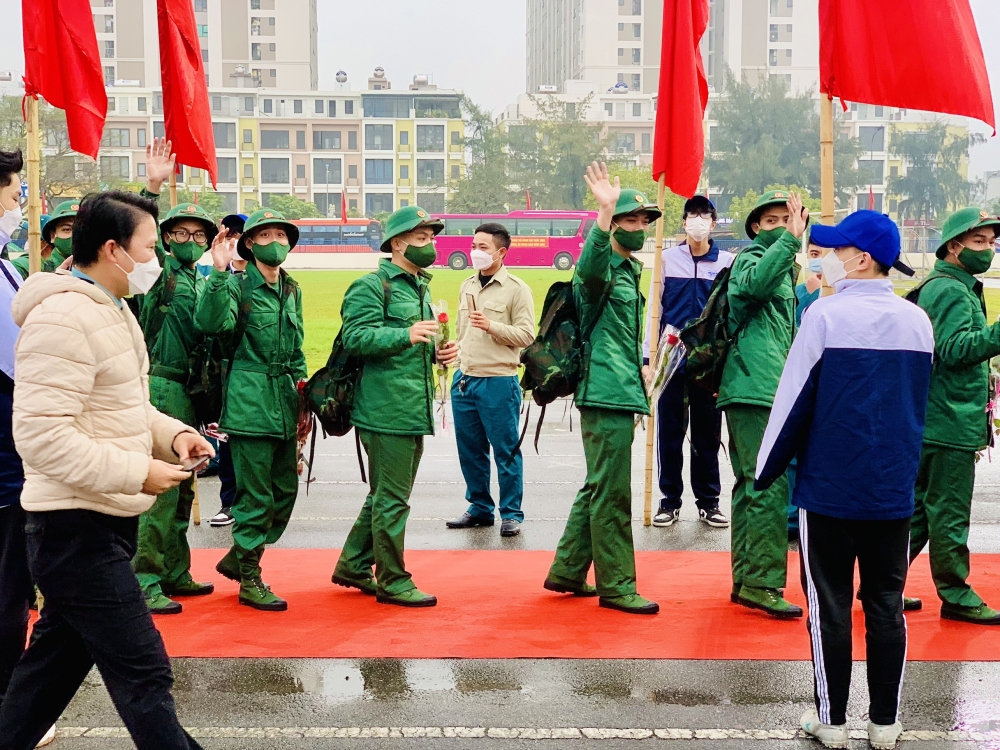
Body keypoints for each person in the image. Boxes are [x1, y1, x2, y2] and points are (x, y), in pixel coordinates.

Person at [0, 190, 213, 750]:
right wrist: (136, 472)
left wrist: (174, 436)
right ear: (115, 250)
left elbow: (123, 405)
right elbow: (42, 437)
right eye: (150, 247)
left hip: (102, 520)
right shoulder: (65, 318)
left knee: (47, 675)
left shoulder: (110, 308)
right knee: (144, 672)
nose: (157, 259)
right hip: (73, 527)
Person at [755, 210, 932, 750]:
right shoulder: (916, 320)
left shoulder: (824, 316)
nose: (824, 257)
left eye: (834, 249)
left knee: (828, 606)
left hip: (829, 489)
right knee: (886, 603)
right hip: (892, 489)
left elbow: (792, 403)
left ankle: (831, 723)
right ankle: (885, 722)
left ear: (862, 258)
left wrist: (764, 471)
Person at [544, 162, 659, 615]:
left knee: (599, 486)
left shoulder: (629, 270)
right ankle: (617, 586)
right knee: (613, 494)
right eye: (628, 220)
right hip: (604, 392)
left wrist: (643, 369)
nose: (636, 228)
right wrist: (603, 215)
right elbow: (588, 272)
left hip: (621, 388)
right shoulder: (603, 268)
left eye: (640, 221)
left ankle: (569, 570)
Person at [332, 205, 459, 607]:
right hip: (385, 409)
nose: (430, 244)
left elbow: (415, 344)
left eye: (432, 237)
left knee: (383, 494)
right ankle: (392, 580)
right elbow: (354, 339)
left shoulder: (418, 286)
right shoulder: (371, 286)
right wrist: (404, 335)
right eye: (421, 238)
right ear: (397, 243)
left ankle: (354, 564)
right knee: (392, 499)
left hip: (410, 407)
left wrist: (437, 354)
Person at [195, 208, 307, 612]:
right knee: (256, 496)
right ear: (250, 244)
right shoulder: (237, 286)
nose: (274, 241)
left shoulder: (292, 289)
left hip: (285, 400)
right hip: (249, 400)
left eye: (281, 234)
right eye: (264, 236)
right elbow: (209, 324)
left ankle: (238, 556)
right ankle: (249, 576)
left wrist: (303, 399)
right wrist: (220, 272)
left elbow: (297, 349)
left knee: (284, 493)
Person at [132, 203, 232, 614]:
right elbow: (137, 238)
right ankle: (145, 577)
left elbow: (214, 326)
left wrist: (221, 271)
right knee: (160, 494)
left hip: (189, 391)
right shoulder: (161, 274)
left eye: (198, 236)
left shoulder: (199, 278)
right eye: (180, 234)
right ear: (166, 238)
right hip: (162, 384)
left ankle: (174, 569)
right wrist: (150, 189)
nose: (189, 242)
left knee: (183, 487)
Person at [906, 207, 1000, 625]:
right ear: (953, 246)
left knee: (921, 513)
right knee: (947, 512)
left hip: (942, 417)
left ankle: (880, 582)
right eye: (979, 242)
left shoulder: (954, 286)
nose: (989, 249)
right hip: (948, 419)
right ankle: (956, 593)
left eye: (991, 242)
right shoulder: (949, 290)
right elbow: (956, 349)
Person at [717, 189, 808, 619]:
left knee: (751, 485)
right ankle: (764, 582)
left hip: (765, 386)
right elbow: (752, 289)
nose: (780, 227)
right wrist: (790, 240)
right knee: (768, 485)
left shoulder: (785, 270)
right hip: (754, 387)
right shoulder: (750, 261)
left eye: (786, 220)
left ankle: (746, 578)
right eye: (771, 221)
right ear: (755, 227)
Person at [642, 196, 733, 529]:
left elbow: (728, 314)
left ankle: (709, 502)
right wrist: (648, 357)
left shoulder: (726, 262)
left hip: (707, 364)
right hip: (671, 359)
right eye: (692, 215)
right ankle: (670, 501)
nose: (697, 221)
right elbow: (654, 311)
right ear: (683, 222)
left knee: (708, 435)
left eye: (704, 215)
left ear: (713, 223)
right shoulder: (666, 259)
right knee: (669, 435)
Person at [446, 222, 535, 537]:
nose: (475, 252)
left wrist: (492, 326)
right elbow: (461, 331)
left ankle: (511, 513)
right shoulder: (467, 284)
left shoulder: (516, 289)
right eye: (474, 245)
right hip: (465, 379)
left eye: (483, 247)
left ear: (501, 252)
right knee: (470, 450)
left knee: (505, 449)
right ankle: (480, 507)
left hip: (498, 380)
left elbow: (527, 335)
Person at [208, 213, 247, 528]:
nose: (233, 242)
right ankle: (229, 502)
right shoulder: (215, 278)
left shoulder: (275, 281)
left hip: (259, 378)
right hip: (225, 377)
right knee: (228, 442)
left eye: (239, 236)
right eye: (228, 236)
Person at [786, 239, 825, 542]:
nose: (819, 261)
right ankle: (790, 517)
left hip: (832, 388)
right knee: (792, 454)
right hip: (798, 384)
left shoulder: (843, 295)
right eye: (813, 254)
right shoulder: (797, 296)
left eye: (826, 255)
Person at [11, 201, 77, 279]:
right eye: (67, 229)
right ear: (52, 235)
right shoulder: (35, 266)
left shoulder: (94, 271)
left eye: (84, 229)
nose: (76, 235)